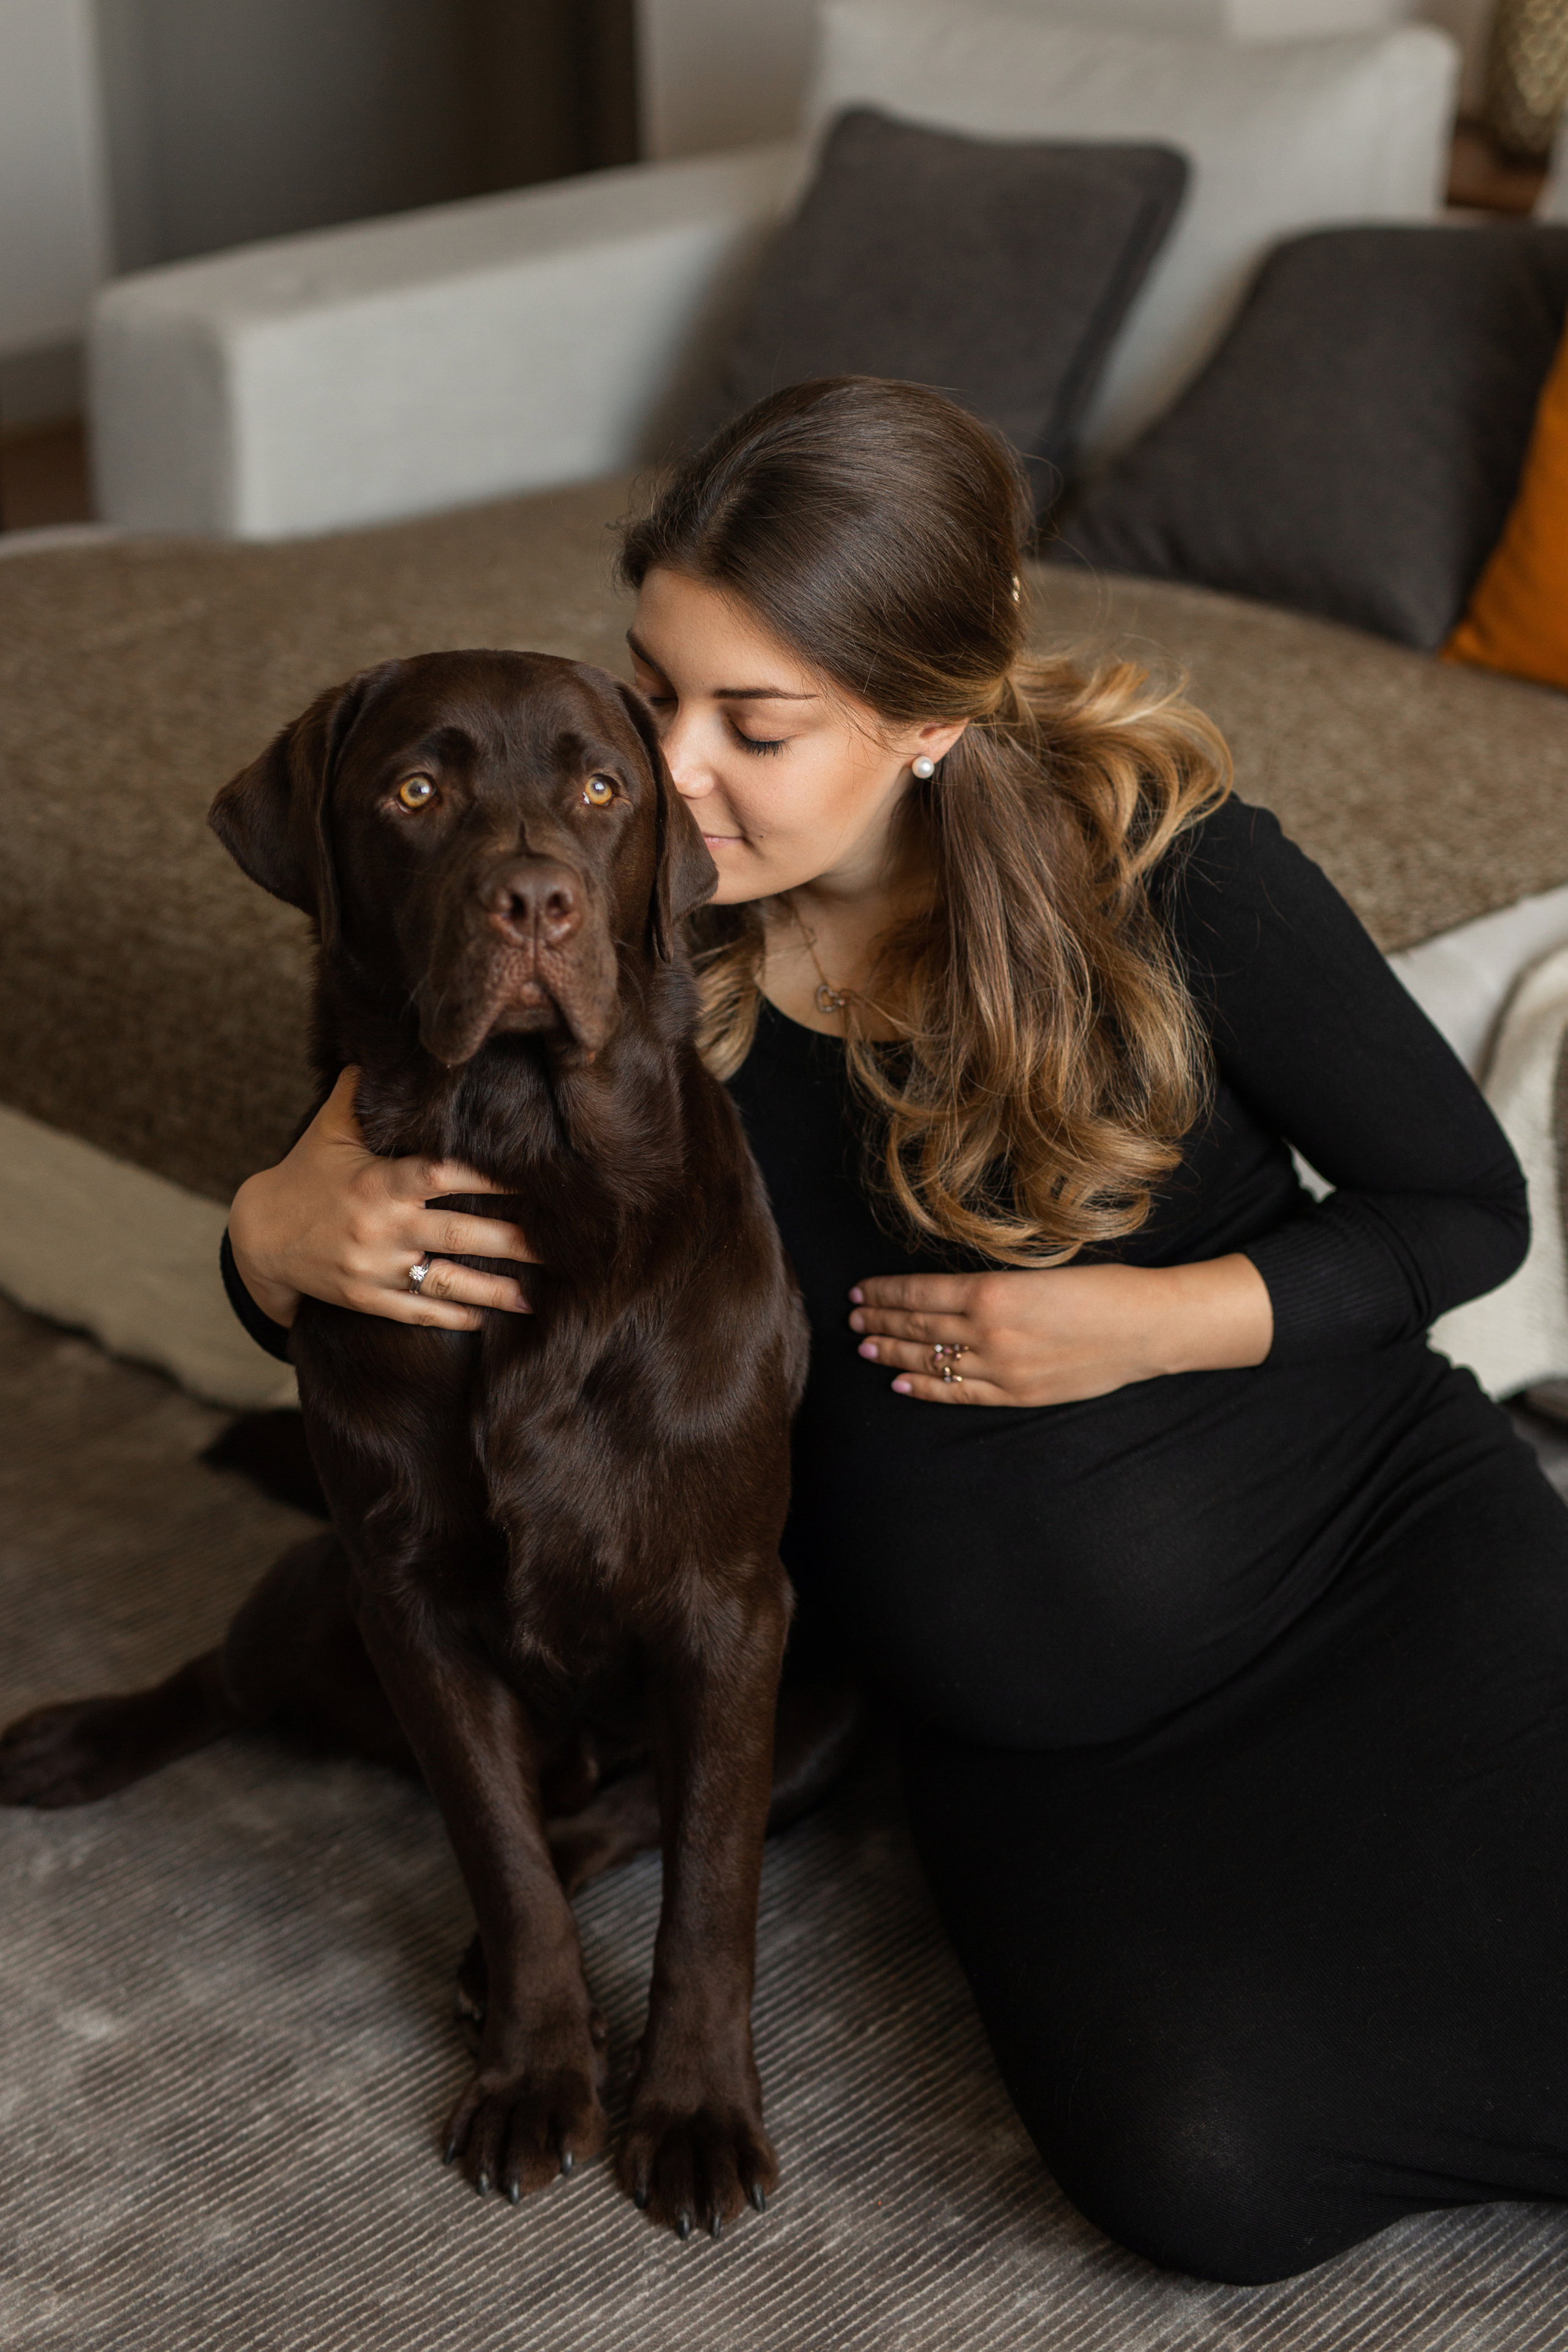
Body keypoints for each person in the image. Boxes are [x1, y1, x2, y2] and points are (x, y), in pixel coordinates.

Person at [224, 377, 1568, 2285]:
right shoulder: (631, 963)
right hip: (1041, 1751)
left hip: (1367, 1565)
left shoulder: (1172, 875)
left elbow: (1470, 1215)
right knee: (1208, 2170)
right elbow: (363, 1225)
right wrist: (261, 1238)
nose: (665, 773)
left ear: (929, 716)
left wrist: (1149, 1322)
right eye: (653, 691)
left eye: (751, 724)